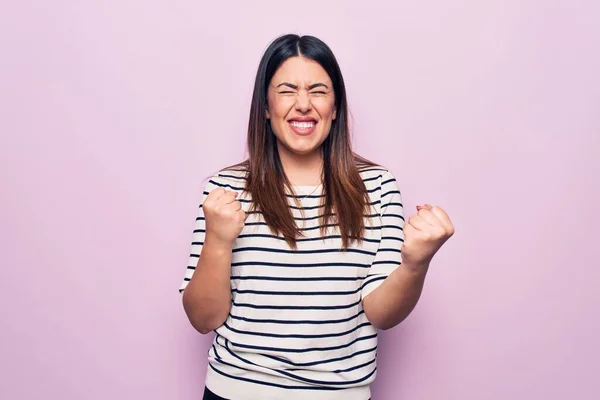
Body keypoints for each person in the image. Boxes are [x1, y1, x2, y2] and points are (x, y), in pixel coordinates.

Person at [179, 34, 454, 400]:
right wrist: (217, 240)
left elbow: (381, 313)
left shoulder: (378, 186)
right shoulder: (225, 189)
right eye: (287, 90)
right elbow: (202, 320)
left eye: (319, 91)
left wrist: (415, 265)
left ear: (335, 106)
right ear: (265, 105)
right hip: (236, 391)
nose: (304, 105)